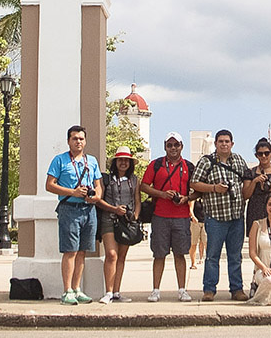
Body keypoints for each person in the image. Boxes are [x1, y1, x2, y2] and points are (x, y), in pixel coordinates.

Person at [44, 125, 103, 306]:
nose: (78, 142)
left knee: (82, 251)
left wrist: (96, 197)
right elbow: (49, 185)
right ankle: (67, 290)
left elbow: (98, 184)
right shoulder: (60, 160)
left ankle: (77, 289)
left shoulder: (91, 161)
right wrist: (73, 191)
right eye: (75, 138)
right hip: (69, 208)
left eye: (81, 139)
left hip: (88, 209)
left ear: (85, 141)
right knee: (70, 250)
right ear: (69, 141)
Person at [190, 129, 251, 301]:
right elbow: (194, 183)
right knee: (212, 256)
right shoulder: (206, 161)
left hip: (236, 217)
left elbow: (247, 179)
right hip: (215, 217)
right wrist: (214, 188)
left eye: (227, 141)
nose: (224, 144)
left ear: (232, 143)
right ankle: (209, 290)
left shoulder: (239, 160)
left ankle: (237, 289)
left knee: (235, 256)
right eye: (221, 141)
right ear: (215, 144)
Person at [139, 131, 197, 303]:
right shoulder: (156, 165)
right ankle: (156, 290)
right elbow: (143, 186)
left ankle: (182, 290)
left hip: (181, 216)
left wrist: (186, 198)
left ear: (182, 147)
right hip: (160, 215)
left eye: (176, 145)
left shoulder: (189, 166)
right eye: (170, 145)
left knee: (180, 254)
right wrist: (162, 194)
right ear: (165, 146)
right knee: (159, 254)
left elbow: (197, 190)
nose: (173, 148)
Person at [97, 147, 142, 304]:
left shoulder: (135, 180)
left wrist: (134, 217)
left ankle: (116, 291)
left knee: (122, 256)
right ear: (115, 162)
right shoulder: (106, 179)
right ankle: (108, 292)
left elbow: (137, 200)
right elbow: (98, 199)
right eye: (120, 160)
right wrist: (114, 209)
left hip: (126, 222)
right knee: (111, 254)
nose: (123, 163)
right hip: (109, 219)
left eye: (126, 160)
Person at [189, 199, 206, 270]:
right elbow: (190, 208)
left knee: (206, 242)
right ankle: (193, 263)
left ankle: (207, 260)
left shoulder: (206, 197)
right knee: (193, 243)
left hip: (206, 222)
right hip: (195, 222)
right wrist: (193, 217)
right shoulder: (194, 198)